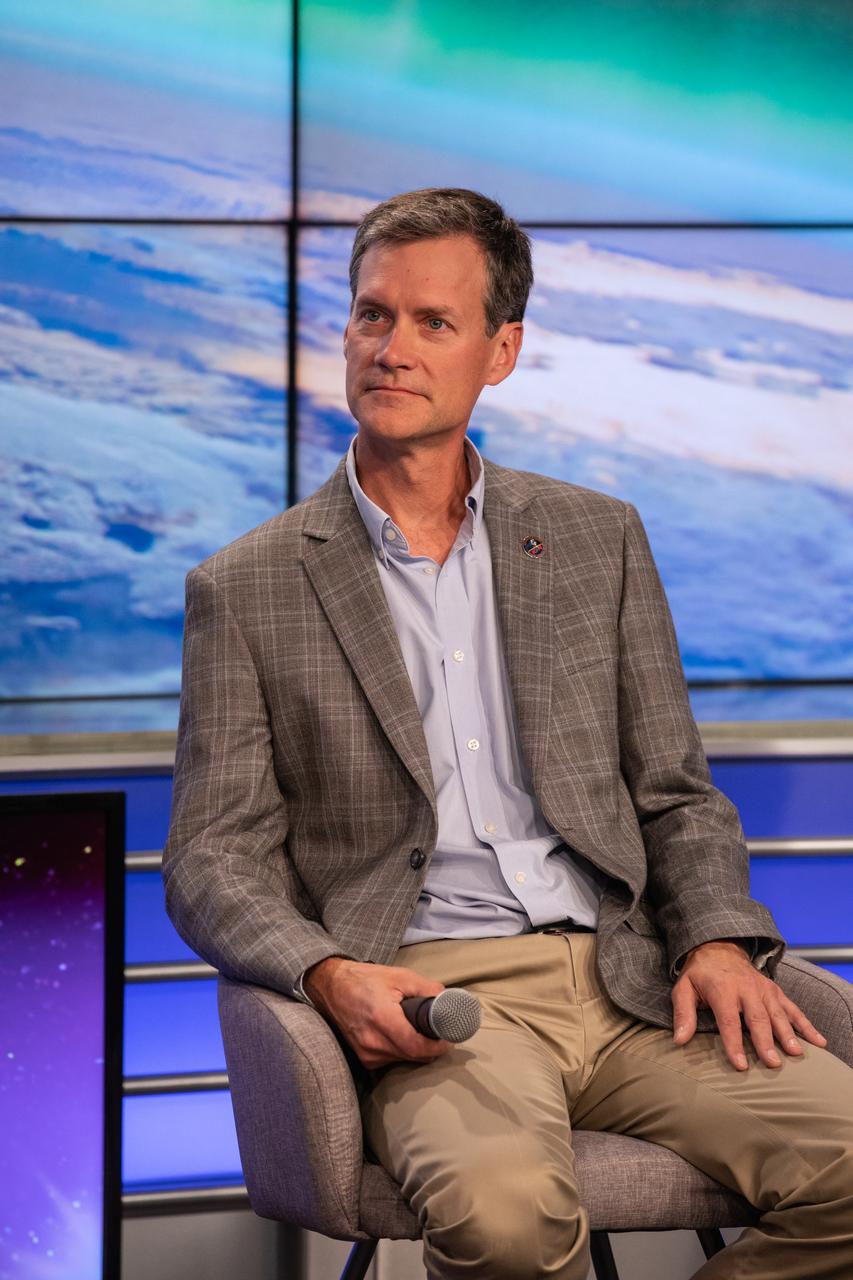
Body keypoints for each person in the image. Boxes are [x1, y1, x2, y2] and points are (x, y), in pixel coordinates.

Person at [162, 187, 853, 1279]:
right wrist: (329, 969)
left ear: (501, 351)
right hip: (436, 992)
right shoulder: (246, 586)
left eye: (433, 322)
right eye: (371, 315)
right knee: (504, 1220)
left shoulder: (596, 539)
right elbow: (210, 856)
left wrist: (718, 934)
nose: (390, 348)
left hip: (635, 982)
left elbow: (675, 792)